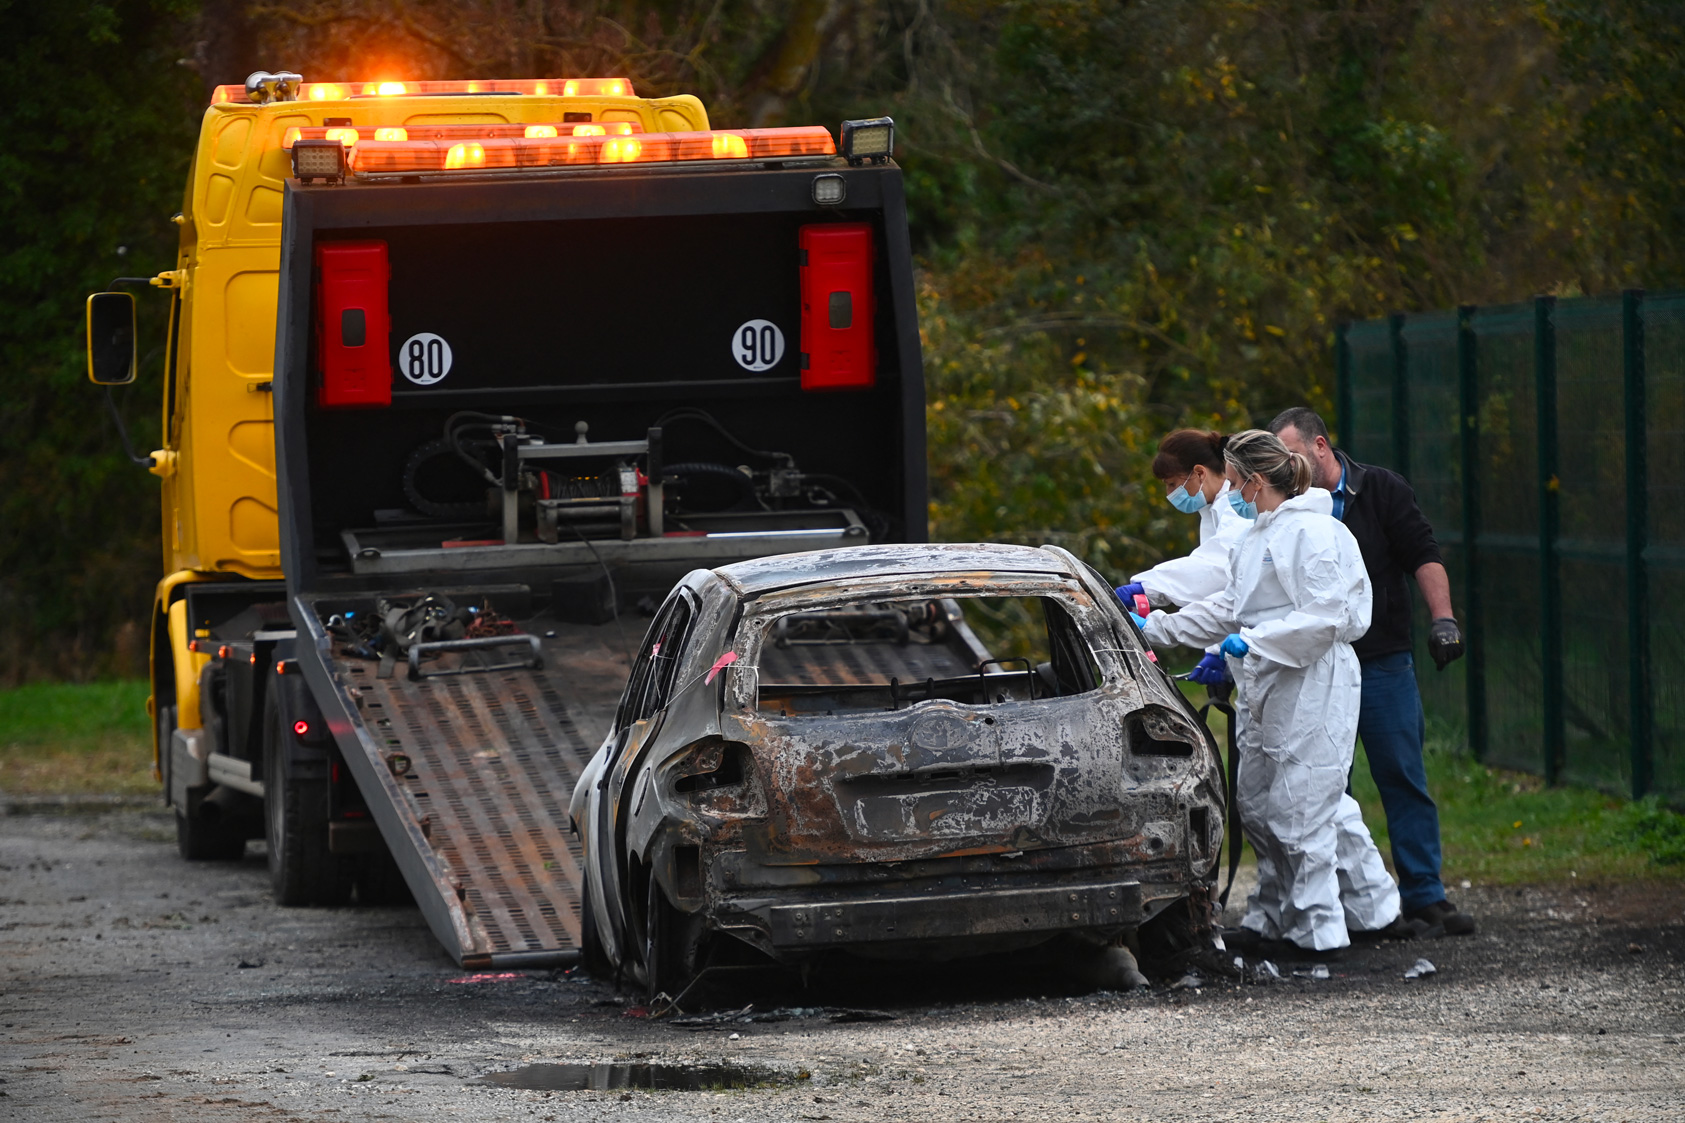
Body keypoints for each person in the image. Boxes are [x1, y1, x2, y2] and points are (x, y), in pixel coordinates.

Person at [1139, 429, 1402, 955]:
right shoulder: (1258, 535)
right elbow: (1229, 607)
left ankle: (1316, 931)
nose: (1230, 492)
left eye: (1234, 481)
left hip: (1313, 679)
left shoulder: (1315, 534)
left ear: (1256, 481)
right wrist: (1155, 629)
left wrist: (1253, 641)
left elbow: (1326, 617)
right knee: (1259, 804)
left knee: (1302, 809)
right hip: (1265, 680)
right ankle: (1315, 913)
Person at [1269, 407, 1475, 938]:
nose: (1285, 467)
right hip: (1316, 668)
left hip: (1380, 658)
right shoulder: (1286, 506)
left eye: (1292, 455)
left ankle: (1425, 894)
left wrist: (1444, 618)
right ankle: (1355, 900)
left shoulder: (1379, 491)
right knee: (1330, 785)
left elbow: (1422, 555)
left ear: (1320, 447)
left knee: (1402, 772)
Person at [1114, 430, 1251, 686]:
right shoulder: (1213, 510)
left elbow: (1218, 567)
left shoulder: (1233, 506)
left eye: (1172, 484)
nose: (1169, 494)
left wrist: (1148, 587)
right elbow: (1225, 592)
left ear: (1199, 473)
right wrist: (1215, 651)